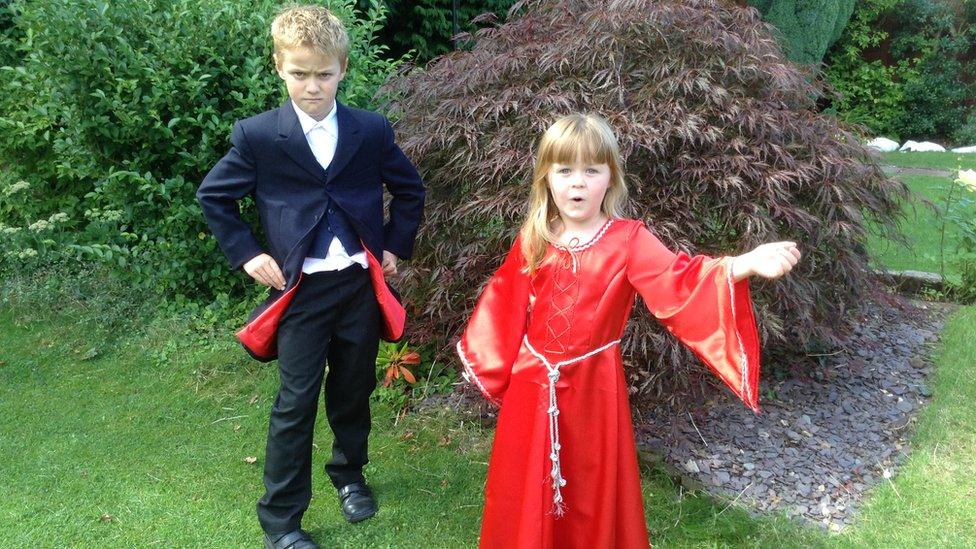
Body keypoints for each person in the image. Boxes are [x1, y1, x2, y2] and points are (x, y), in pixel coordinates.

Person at [456, 113, 799, 548]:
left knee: (590, 486)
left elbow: (679, 278)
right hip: (531, 386)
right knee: (527, 485)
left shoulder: (628, 239)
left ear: (610, 178)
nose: (577, 184)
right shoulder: (535, 237)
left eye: (591, 170)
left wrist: (741, 265)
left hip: (593, 390)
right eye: (564, 170)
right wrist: (492, 364)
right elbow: (502, 303)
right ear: (546, 178)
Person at [195, 5, 425, 549]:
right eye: (300, 73)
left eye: (323, 73)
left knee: (353, 389)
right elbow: (215, 197)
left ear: (343, 68)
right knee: (295, 401)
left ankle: (349, 476)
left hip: (356, 287)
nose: (312, 85)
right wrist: (247, 253)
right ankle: (282, 520)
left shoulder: (370, 129)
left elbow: (410, 190)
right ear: (279, 67)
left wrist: (394, 244)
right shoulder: (257, 136)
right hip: (299, 292)